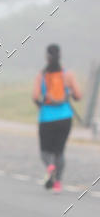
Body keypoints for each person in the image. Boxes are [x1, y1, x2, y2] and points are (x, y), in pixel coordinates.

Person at [32, 44, 81, 193]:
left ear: (46, 57)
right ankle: (58, 183)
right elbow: (78, 96)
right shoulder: (68, 74)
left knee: (45, 152)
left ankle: (49, 166)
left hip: (46, 118)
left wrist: (42, 106)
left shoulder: (41, 75)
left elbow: (35, 96)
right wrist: (68, 95)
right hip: (65, 117)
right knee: (60, 152)